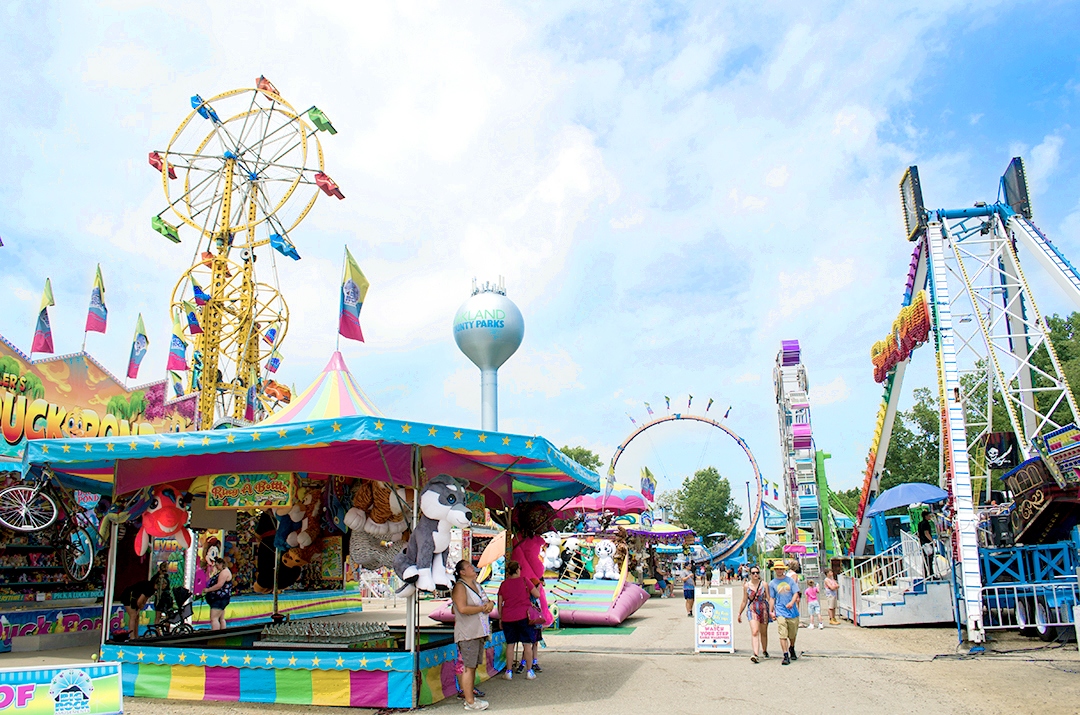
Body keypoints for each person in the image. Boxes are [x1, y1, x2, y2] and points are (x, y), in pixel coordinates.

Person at [452, 560, 493, 711]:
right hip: (468, 632)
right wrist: (482, 608)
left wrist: (490, 604)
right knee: (468, 667)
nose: (473, 568)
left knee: (473, 665)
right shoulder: (460, 587)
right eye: (469, 566)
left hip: (479, 630)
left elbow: (486, 601)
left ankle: (470, 696)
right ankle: (469, 701)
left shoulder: (477, 585)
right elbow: (461, 608)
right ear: (462, 572)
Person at [498, 560, 541, 680]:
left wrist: (501, 618)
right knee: (527, 644)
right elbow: (537, 595)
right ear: (517, 570)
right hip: (524, 616)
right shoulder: (525, 580)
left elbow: (500, 603)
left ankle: (509, 672)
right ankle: (529, 671)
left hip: (507, 617)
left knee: (510, 644)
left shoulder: (504, 584)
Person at [768, 561, 801, 665]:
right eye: (777, 569)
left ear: (784, 569)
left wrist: (792, 602)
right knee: (783, 633)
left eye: (781, 569)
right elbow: (772, 598)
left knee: (792, 633)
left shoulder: (790, 580)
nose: (779, 571)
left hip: (792, 611)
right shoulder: (772, 583)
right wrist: (771, 611)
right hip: (780, 610)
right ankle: (785, 654)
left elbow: (796, 592)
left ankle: (792, 647)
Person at [736, 565, 771, 663]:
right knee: (755, 631)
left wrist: (773, 611)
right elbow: (744, 601)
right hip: (752, 609)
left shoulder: (764, 584)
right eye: (753, 573)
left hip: (763, 608)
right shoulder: (747, 586)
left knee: (763, 632)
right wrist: (739, 613)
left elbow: (769, 598)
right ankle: (755, 654)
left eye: (757, 573)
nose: (756, 574)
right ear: (750, 574)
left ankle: (764, 650)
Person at [203, 556, 233, 630]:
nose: (217, 567)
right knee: (221, 618)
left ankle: (215, 634)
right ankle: (222, 633)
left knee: (214, 618)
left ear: (221, 564)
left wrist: (208, 590)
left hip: (220, 598)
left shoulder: (224, 572)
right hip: (222, 598)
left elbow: (219, 585)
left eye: (217, 566)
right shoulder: (224, 571)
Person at [918, 511, 936, 578]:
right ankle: (931, 575)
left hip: (923, 543)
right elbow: (926, 533)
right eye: (929, 515)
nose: (930, 517)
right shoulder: (926, 524)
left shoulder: (920, 523)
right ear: (926, 516)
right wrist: (932, 541)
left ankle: (925, 575)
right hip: (927, 543)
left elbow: (919, 534)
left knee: (925, 560)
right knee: (930, 559)